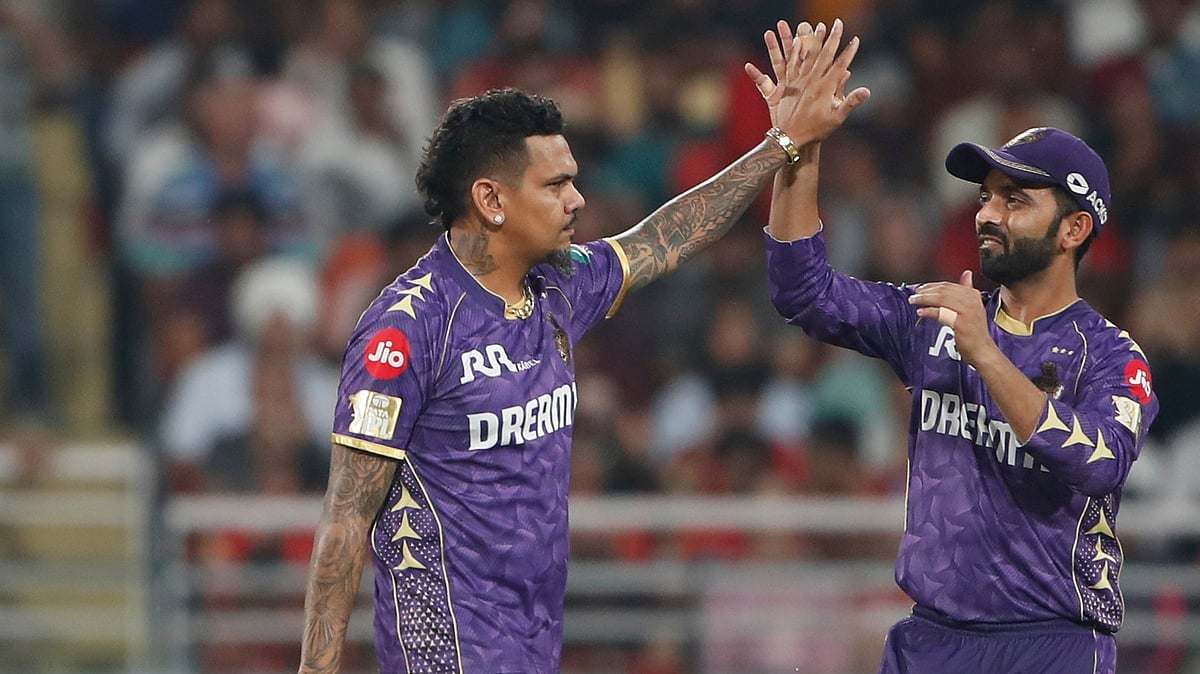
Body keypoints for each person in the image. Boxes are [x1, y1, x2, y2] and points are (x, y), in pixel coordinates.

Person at [297, 24, 867, 674]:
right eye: (556, 185)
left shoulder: (560, 284)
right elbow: (345, 519)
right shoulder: (406, 330)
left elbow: (667, 235)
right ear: (491, 200)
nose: (578, 199)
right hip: (447, 652)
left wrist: (783, 145)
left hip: (536, 642)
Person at [748, 20, 1159, 674]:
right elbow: (803, 291)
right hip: (931, 639)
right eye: (985, 196)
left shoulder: (1114, 356)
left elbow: (1101, 463)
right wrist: (797, 149)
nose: (987, 214)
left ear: (1074, 227)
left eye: (1015, 199)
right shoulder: (936, 316)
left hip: (1051, 644)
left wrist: (987, 353)